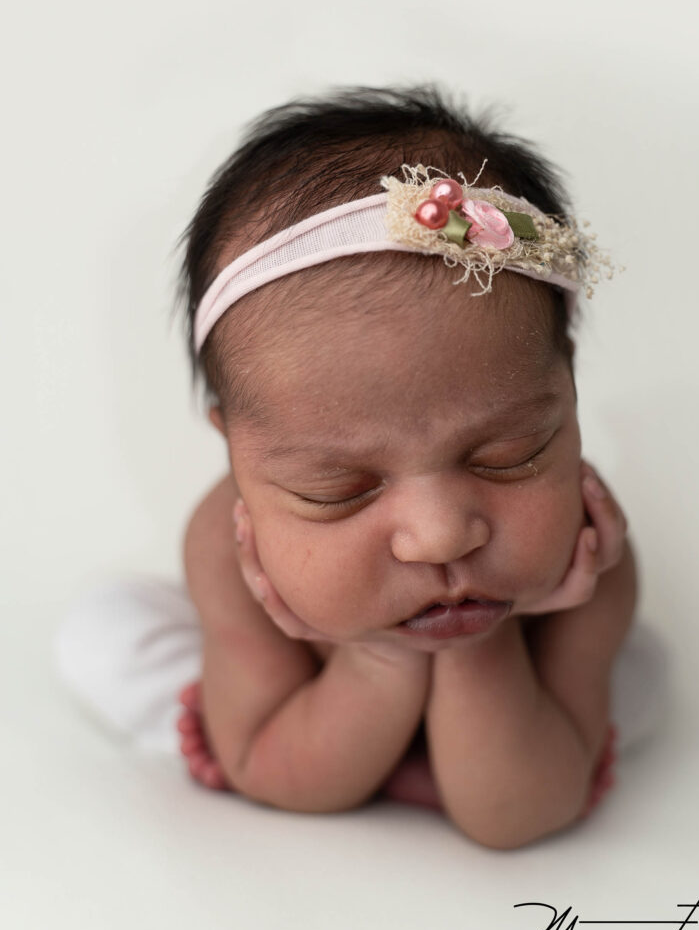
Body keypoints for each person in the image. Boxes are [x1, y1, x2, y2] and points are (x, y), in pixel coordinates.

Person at [56, 84, 667, 849]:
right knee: (104, 636)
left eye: (511, 455)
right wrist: (378, 655)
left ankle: (525, 727)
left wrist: (475, 642)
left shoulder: (588, 553)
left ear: (566, 386)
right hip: (304, 707)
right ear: (238, 453)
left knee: (648, 676)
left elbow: (521, 816)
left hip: (520, 720)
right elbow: (278, 774)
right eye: (338, 490)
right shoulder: (228, 544)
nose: (440, 536)